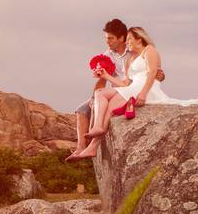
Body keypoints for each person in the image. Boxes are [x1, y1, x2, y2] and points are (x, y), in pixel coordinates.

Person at [74, 26, 198, 159]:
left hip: (146, 86)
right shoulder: (131, 58)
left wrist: (144, 93)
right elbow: (125, 83)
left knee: (110, 108)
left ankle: (93, 145)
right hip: (132, 87)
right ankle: (98, 128)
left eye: (129, 39)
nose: (127, 43)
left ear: (139, 39)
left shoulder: (149, 50)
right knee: (100, 93)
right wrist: (105, 75)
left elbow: (152, 73)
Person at [65, 19, 164, 162]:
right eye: (106, 38)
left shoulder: (134, 52)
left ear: (122, 38)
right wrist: (95, 94)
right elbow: (104, 81)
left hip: (130, 88)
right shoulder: (108, 55)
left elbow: (154, 71)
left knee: (108, 107)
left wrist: (158, 76)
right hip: (119, 87)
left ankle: (93, 143)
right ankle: (81, 147)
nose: (107, 42)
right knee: (82, 109)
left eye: (110, 38)